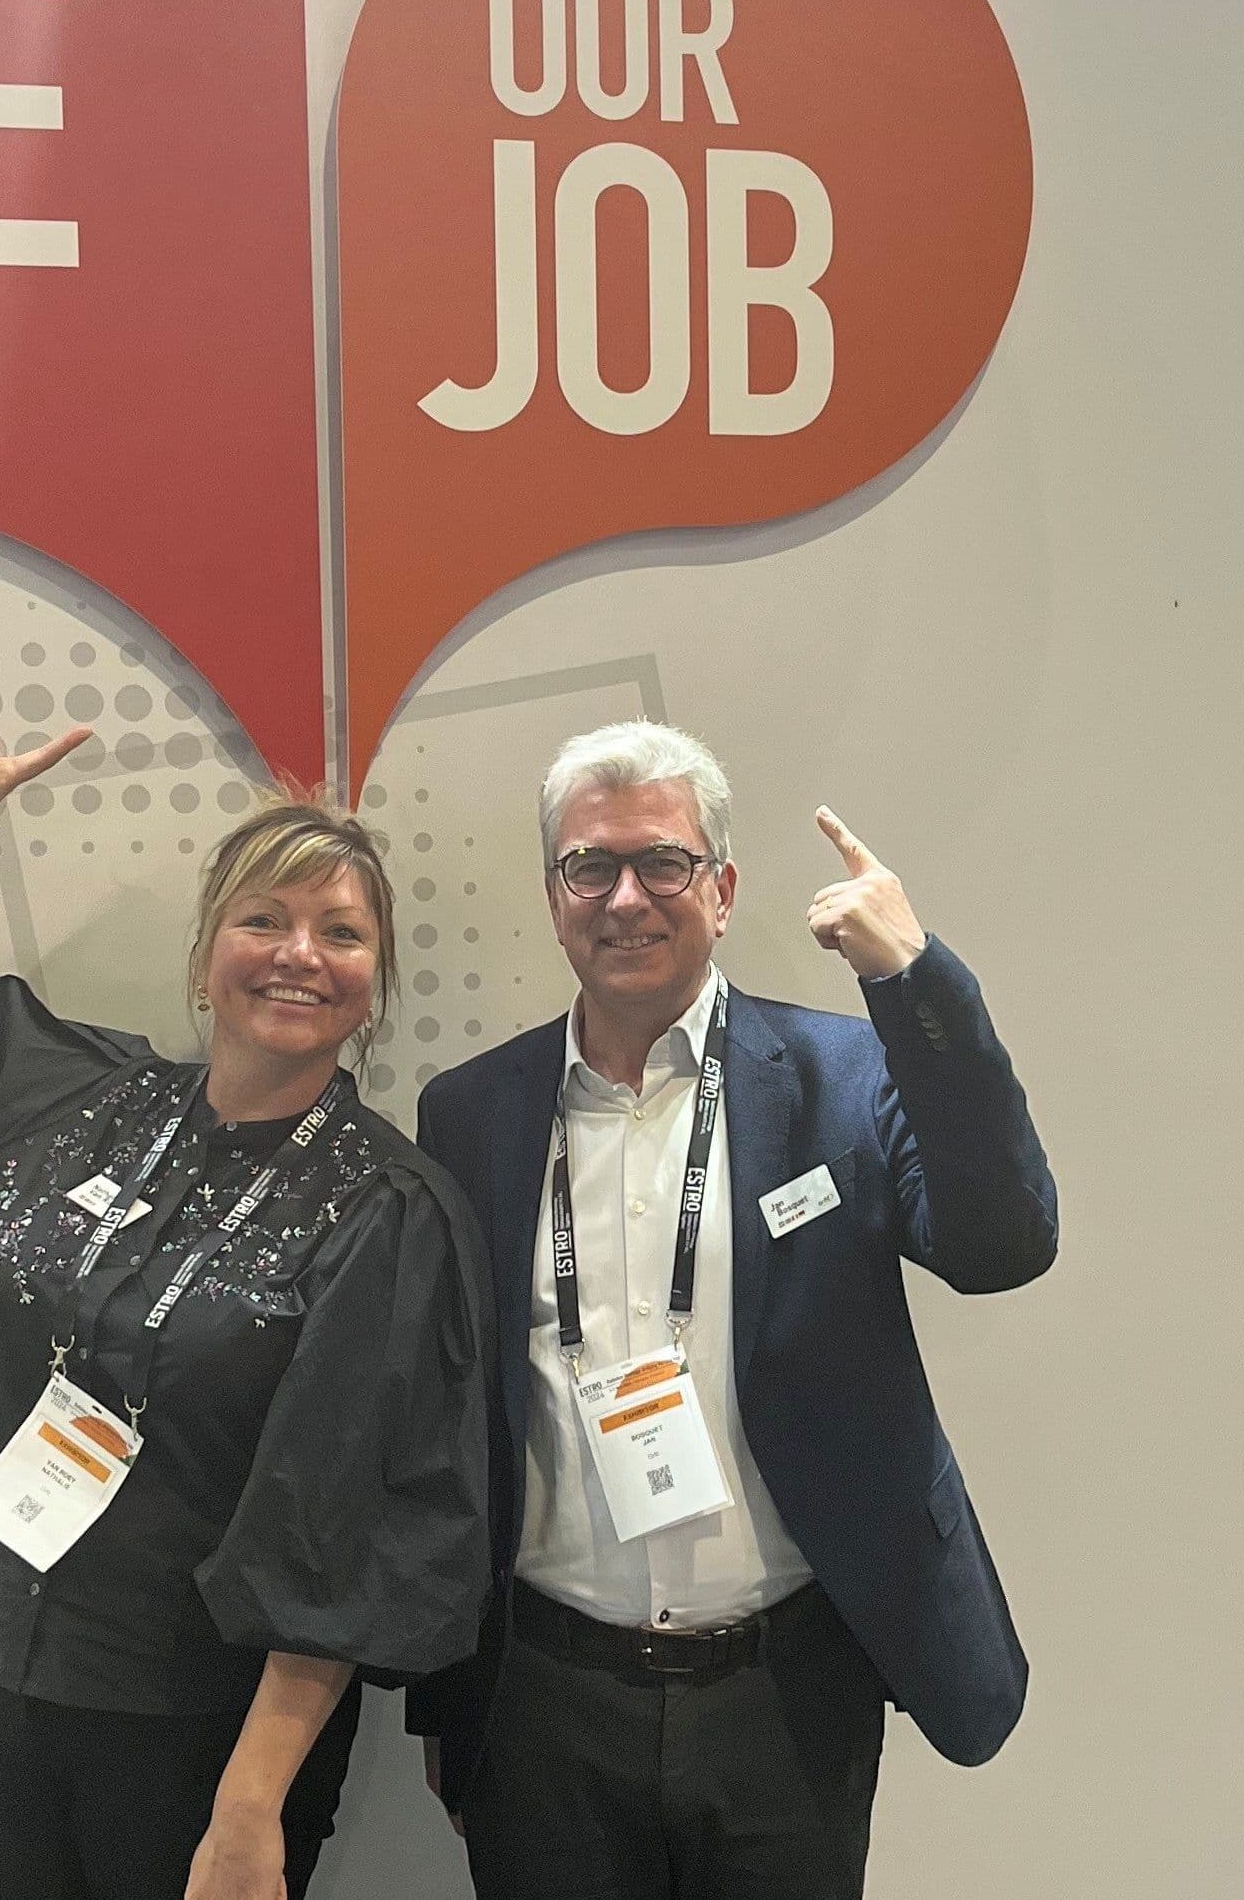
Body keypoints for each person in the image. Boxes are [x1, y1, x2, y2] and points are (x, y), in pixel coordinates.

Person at [0, 707, 491, 1900]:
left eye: (341, 932)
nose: (298, 952)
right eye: (263, 918)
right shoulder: (74, 1096)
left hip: (189, 1734)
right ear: (207, 952)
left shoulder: (386, 1210)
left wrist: (250, 1808)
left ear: (372, 986)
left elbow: (351, 1533)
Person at [408, 720, 1058, 1899]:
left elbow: (1002, 1243)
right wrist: (449, 1697)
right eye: (590, 865)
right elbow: (451, 1411)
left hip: (785, 1691)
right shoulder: (470, 1113)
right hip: (546, 1700)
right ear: (553, 897)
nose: (626, 896)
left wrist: (916, 979)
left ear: (722, 887)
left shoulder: (844, 1075)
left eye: (663, 860)